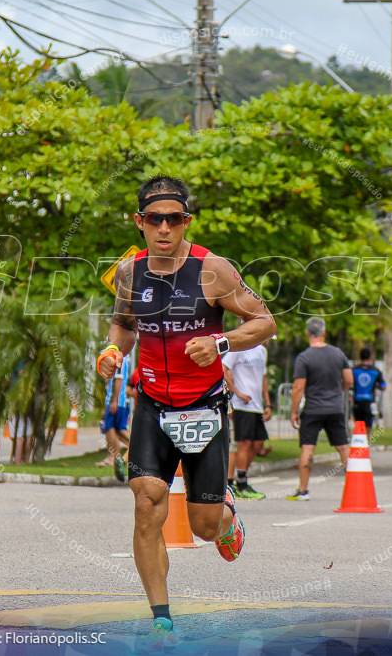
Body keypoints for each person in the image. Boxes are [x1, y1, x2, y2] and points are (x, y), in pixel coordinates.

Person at [95, 175, 275, 646]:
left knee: (202, 525)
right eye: (155, 219)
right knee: (146, 503)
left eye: (174, 219)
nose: (164, 228)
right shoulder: (130, 273)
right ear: (140, 222)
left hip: (205, 407)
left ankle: (227, 517)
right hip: (152, 404)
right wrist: (114, 352)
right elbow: (122, 325)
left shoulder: (213, 270)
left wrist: (220, 342)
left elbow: (264, 322)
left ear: (186, 222)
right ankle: (161, 618)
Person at [288, 317, 352, 501]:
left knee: (308, 448)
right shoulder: (338, 354)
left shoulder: (305, 357)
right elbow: (348, 380)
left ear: (307, 334)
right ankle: (355, 486)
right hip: (335, 408)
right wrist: (339, 391)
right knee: (343, 447)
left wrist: (294, 411)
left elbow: (298, 387)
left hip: (313, 410)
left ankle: (303, 490)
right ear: (323, 333)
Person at [222, 343, 271, 500]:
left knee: (258, 443)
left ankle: (239, 477)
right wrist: (236, 392)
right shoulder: (239, 348)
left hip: (256, 405)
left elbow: (263, 378)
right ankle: (241, 484)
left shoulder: (263, 351)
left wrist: (267, 403)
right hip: (242, 404)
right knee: (244, 443)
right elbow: (222, 369)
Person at [96, 351, 131, 483]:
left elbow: (119, 379)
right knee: (117, 428)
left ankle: (113, 457)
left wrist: (114, 400)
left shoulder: (118, 357)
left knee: (111, 427)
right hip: (117, 400)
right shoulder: (124, 357)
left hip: (118, 400)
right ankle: (117, 457)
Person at [351, 348, 386, 439]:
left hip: (357, 401)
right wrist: (376, 386)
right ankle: (366, 444)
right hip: (370, 401)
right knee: (368, 424)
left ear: (360, 356)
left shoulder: (354, 370)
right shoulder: (376, 371)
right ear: (370, 357)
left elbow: (349, 382)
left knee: (358, 424)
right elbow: (383, 386)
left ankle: (358, 443)